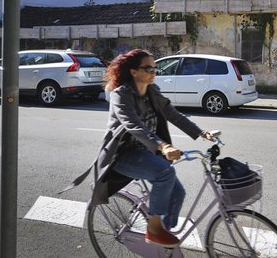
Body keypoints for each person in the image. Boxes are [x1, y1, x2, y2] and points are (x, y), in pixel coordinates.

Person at [64, 49, 213, 247]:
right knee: (165, 173)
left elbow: (172, 113)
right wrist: (163, 146)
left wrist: (201, 133)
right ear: (134, 71)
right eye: (148, 68)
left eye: (155, 67)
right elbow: (134, 125)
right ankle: (154, 229)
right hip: (122, 154)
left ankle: (164, 242)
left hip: (145, 153)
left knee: (178, 194)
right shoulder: (121, 95)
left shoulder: (152, 91)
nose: (154, 72)